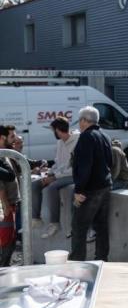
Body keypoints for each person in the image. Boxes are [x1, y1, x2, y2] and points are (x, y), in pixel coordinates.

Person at [70, 106, 113, 261]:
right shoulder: (105, 136)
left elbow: (84, 166)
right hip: (105, 186)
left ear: (83, 121)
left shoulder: (86, 137)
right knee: (101, 227)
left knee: (79, 228)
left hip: (90, 190)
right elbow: (110, 161)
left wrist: (79, 190)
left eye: (79, 121)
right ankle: (102, 261)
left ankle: (77, 264)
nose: (79, 125)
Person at [29, 116, 79, 238]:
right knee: (35, 184)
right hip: (61, 175)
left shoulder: (77, 141)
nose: (53, 133)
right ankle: (36, 219)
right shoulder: (60, 142)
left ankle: (55, 223)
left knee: (52, 187)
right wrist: (50, 172)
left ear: (58, 130)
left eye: (53, 130)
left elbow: (74, 168)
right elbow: (58, 163)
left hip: (74, 175)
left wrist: (54, 177)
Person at [0, 125, 19, 266]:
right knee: (6, 241)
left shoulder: (4, 153)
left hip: (9, 204)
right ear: (2, 138)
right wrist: (5, 204)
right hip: (5, 206)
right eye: (8, 136)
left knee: (10, 240)